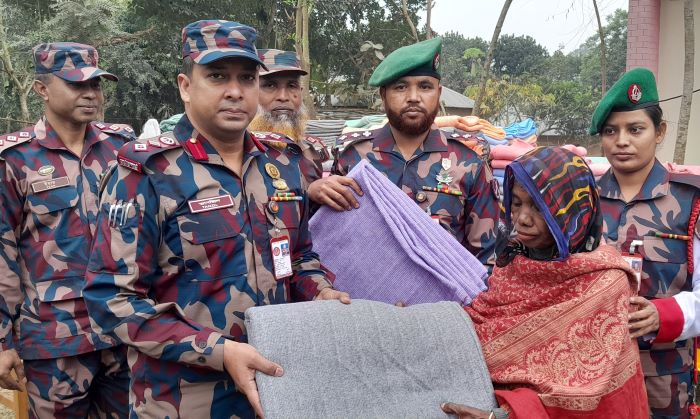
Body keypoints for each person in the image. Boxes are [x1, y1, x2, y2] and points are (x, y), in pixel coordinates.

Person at [82, 20, 349, 418]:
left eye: (247, 77)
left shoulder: (284, 163)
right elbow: (111, 298)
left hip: (276, 383)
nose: (236, 91)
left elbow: (297, 257)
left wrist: (321, 291)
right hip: (184, 397)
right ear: (185, 86)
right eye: (217, 76)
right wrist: (218, 351)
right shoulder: (146, 172)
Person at [443, 147, 648, 418]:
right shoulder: (513, 262)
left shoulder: (605, 284)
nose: (522, 219)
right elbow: (482, 327)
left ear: (572, 210)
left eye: (539, 207)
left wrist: (507, 415)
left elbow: (588, 393)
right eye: (516, 203)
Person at [0, 42, 135, 418]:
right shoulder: (15, 160)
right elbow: (2, 256)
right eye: (77, 85)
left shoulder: (123, 148)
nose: (91, 94)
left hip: (122, 330)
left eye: (96, 84)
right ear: (42, 89)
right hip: (54, 341)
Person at [309, 37, 498, 268]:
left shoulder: (469, 162)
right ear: (383, 95)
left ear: (438, 94)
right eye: (400, 87)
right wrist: (312, 195)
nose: (413, 97)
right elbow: (331, 236)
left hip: (443, 301)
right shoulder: (353, 157)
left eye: (425, 87)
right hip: (363, 297)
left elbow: (484, 259)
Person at [591, 67, 700, 418]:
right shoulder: (582, 200)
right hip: (592, 371)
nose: (622, 141)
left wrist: (663, 314)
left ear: (659, 132)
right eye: (611, 131)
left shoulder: (690, 201)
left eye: (635, 129)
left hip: (664, 379)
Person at [249, 48, 329, 184]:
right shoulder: (237, 151)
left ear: (301, 92)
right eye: (270, 85)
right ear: (250, 91)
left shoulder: (312, 151)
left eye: (292, 86)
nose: (283, 97)